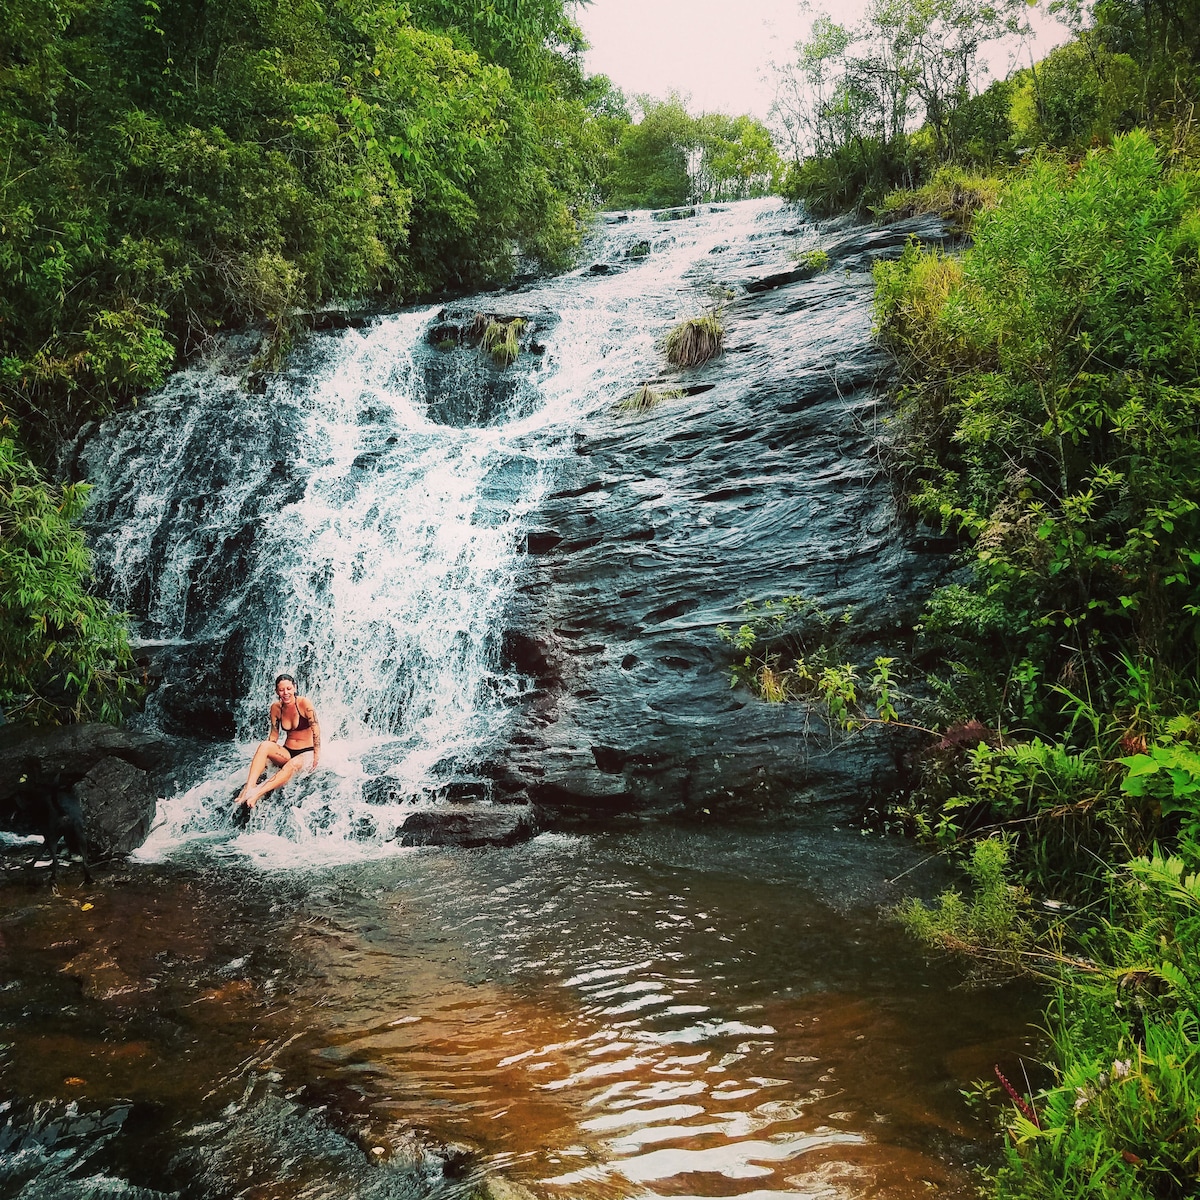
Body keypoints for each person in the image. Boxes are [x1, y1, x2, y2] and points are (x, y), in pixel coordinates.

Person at [232, 673, 320, 826]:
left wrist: (316, 756)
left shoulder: (304, 703)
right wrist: (265, 755)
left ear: (295, 688)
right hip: (287, 751)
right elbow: (273, 735)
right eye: (281, 690)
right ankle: (249, 787)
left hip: (307, 752)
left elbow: (316, 729)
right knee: (264, 746)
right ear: (276, 691)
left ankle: (257, 794)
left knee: (291, 766)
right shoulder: (276, 708)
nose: (285, 693)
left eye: (288, 688)